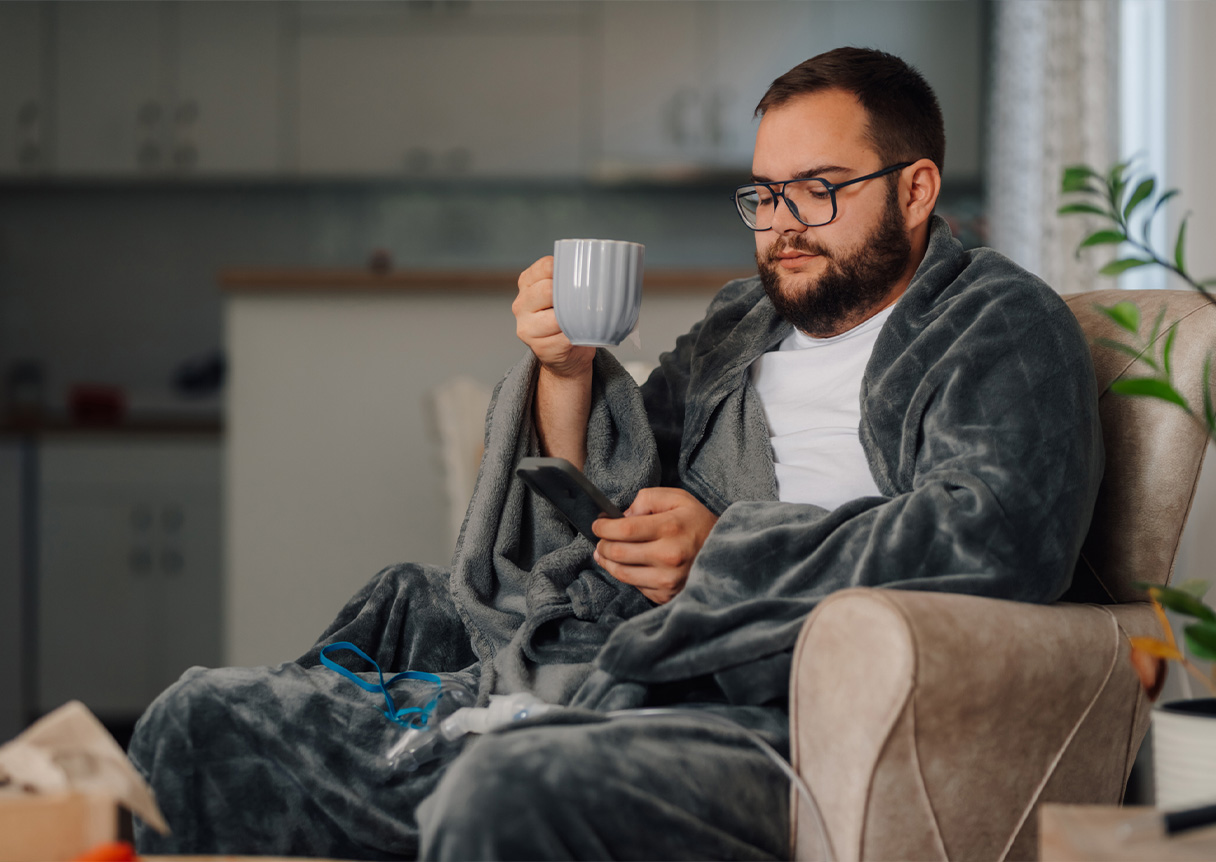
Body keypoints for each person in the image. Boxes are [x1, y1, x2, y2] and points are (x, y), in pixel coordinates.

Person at [129, 47, 1102, 861]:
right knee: (198, 718)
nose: (782, 225)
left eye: (818, 189)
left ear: (916, 187)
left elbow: (998, 533)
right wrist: (563, 368)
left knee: (502, 786)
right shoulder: (743, 322)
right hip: (616, 659)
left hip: (756, 713)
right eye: (764, 195)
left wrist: (723, 552)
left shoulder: (997, 327)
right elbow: (605, 499)